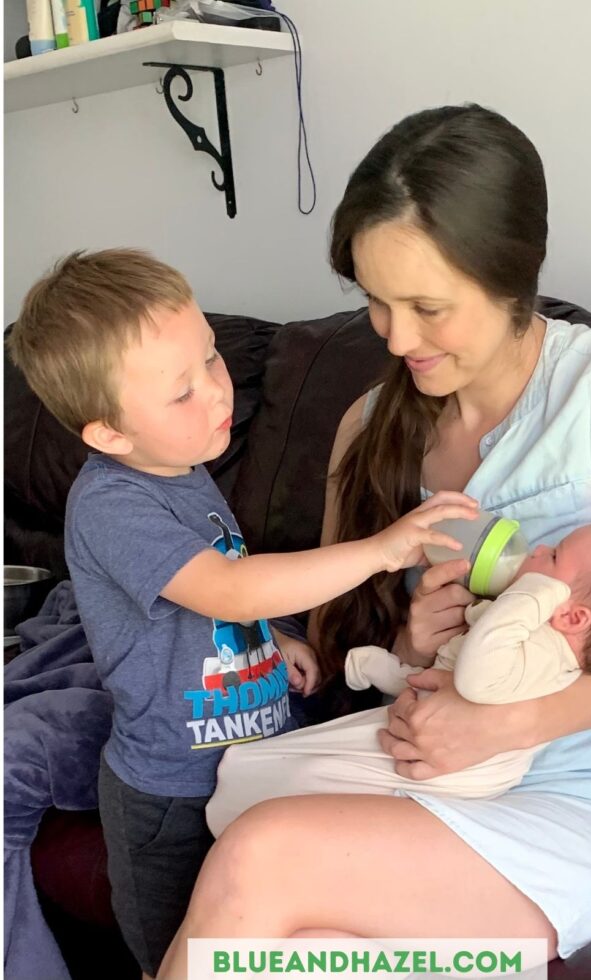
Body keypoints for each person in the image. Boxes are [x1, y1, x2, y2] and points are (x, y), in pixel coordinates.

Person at [159, 103, 591, 977]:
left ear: (512, 275)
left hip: (581, 795)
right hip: (419, 765)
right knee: (284, 944)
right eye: (375, 301)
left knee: (261, 859)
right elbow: (331, 644)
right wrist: (406, 638)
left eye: (427, 307)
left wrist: (505, 724)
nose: (397, 338)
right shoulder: (368, 425)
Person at [6, 249, 480, 980]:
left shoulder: (184, 466)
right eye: (181, 391)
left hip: (255, 762)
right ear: (107, 434)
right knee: (183, 959)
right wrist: (381, 550)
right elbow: (227, 588)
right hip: (172, 793)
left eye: (212, 360)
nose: (217, 391)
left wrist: (272, 640)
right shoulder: (112, 503)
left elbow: (227, 605)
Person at [206, 525, 591, 832]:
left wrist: (531, 594)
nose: (540, 548)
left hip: (460, 762)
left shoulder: (545, 650)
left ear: (572, 617)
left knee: (303, 773)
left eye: (555, 558)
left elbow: (476, 678)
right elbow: (451, 674)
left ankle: (248, 802)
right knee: (310, 766)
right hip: (434, 717)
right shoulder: (536, 642)